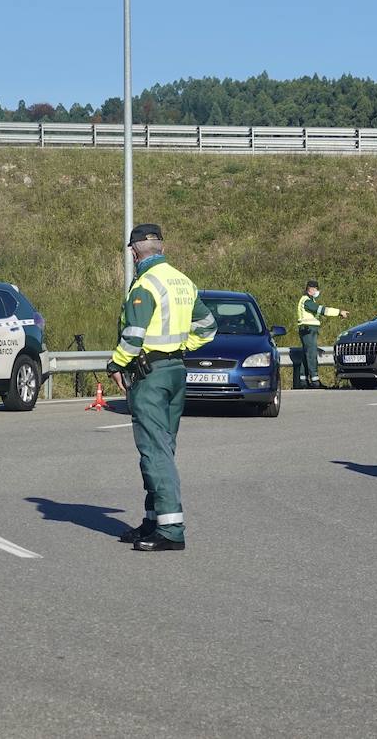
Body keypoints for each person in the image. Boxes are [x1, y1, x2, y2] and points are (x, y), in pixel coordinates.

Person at [106, 224, 216, 552]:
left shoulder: (145, 284)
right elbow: (208, 327)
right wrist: (181, 346)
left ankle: (171, 529)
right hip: (175, 371)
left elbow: (133, 335)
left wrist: (116, 364)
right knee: (163, 447)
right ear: (162, 248)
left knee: (155, 451)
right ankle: (154, 519)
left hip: (150, 375)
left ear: (133, 252)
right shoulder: (183, 281)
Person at [293, 279, 349, 389]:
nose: (317, 291)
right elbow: (321, 310)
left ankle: (303, 381)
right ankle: (315, 381)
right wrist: (339, 312)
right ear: (311, 289)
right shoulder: (307, 301)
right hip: (308, 330)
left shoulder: (309, 300)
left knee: (306, 354)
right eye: (316, 289)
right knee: (311, 354)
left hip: (307, 329)